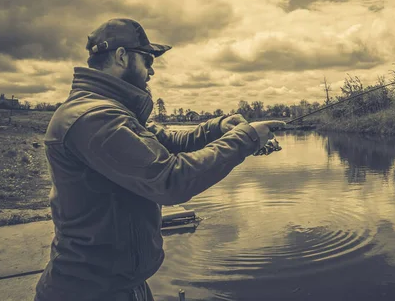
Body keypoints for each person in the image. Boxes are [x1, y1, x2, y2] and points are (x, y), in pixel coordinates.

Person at [34, 18, 285, 301]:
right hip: (90, 291)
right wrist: (246, 138)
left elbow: (168, 141)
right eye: (147, 59)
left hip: (119, 284)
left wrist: (219, 127)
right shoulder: (95, 118)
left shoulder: (111, 111)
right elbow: (169, 179)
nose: (152, 70)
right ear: (121, 56)